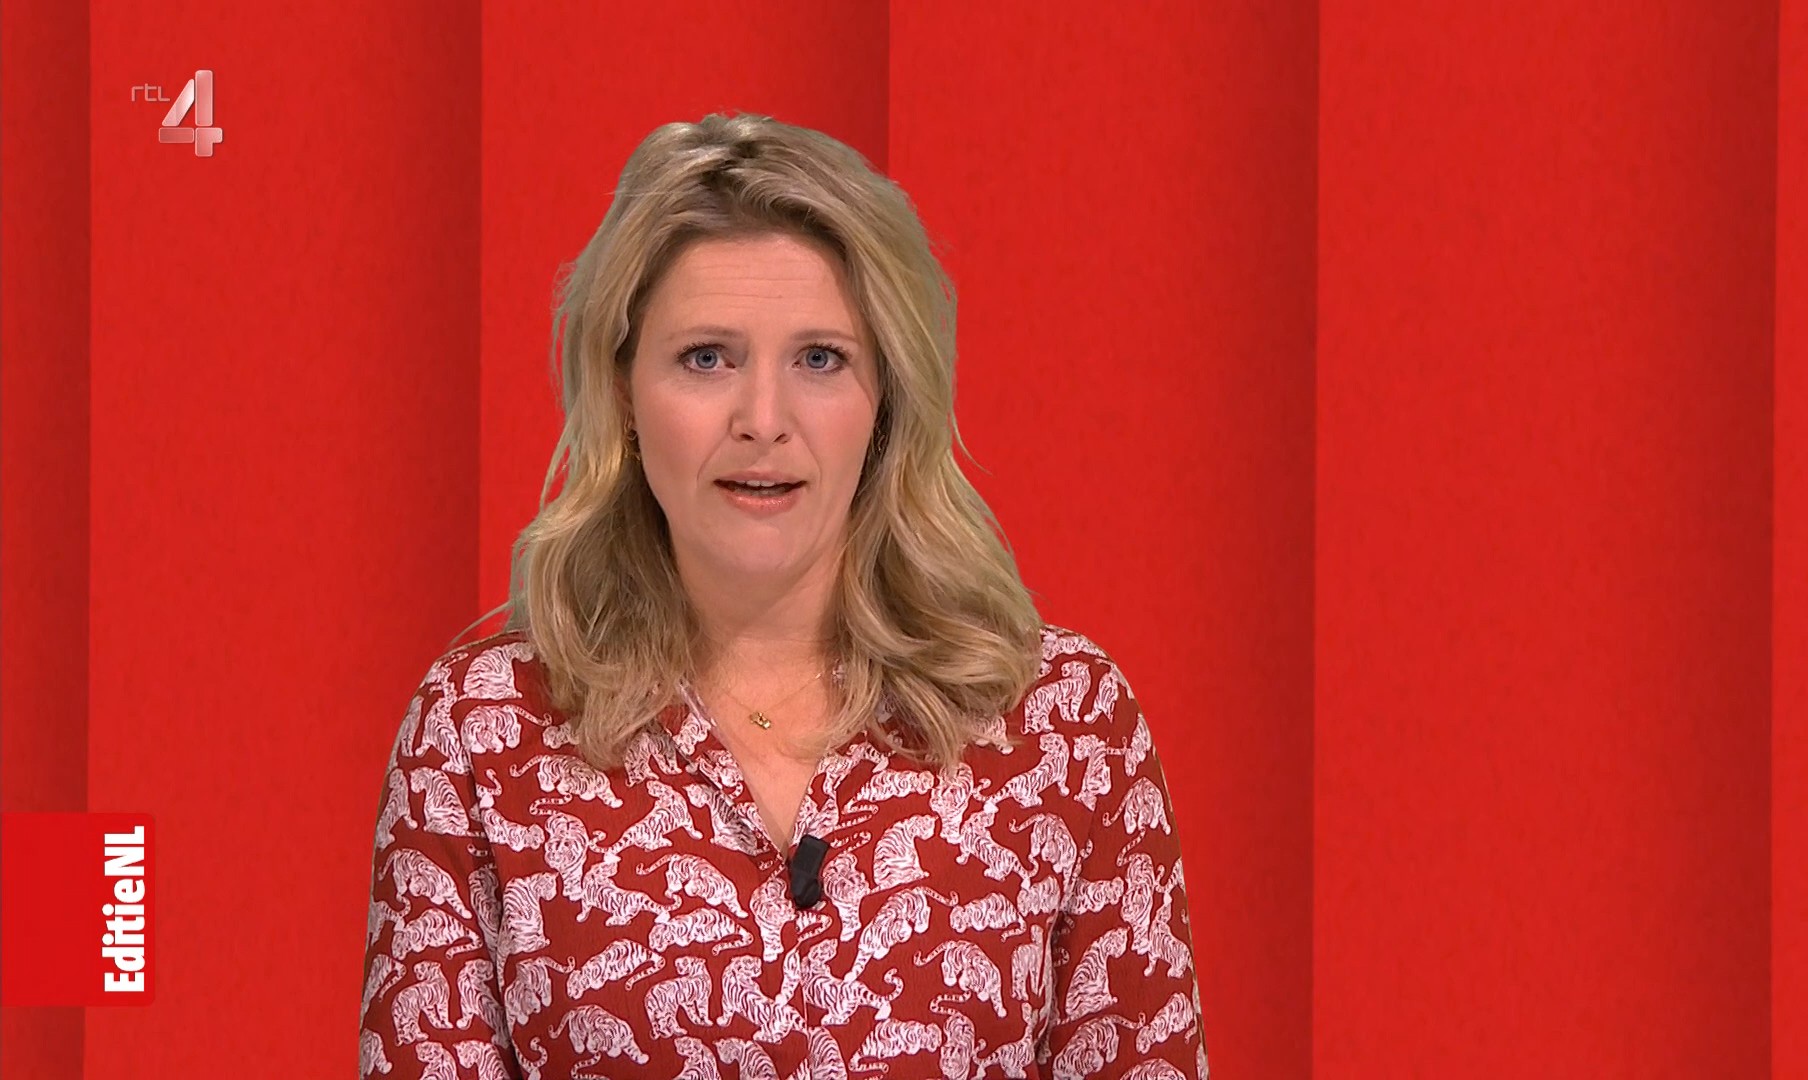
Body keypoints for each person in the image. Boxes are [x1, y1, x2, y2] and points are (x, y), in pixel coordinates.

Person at [358, 111, 1208, 1079]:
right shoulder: (480, 736)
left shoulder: (1065, 729)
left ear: (886, 400)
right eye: (707, 358)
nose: (763, 420)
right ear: (624, 394)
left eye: (819, 359)